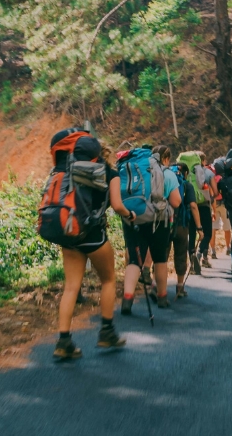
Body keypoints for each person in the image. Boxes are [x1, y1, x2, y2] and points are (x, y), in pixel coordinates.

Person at [49, 130, 131, 361]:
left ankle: (63, 341)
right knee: (108, 279)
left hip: (70, 232)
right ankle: (106, 332)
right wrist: (131, 215)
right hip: (93, 234)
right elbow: (117, 205)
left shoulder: (67, 170)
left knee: (71, 287)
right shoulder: (109, 172)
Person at [120, 144, 181, 313]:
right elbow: (176, 202)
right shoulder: (166, 173)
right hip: (158, 221)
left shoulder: (129, 170)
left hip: (132, 219)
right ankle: (162, 298)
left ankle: (127, 300)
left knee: (134, 261)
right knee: (160, 259)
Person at [169, 160, 201, 298]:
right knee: (181, 254)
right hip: (181, 225)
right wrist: (199, 227)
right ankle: (180, 287)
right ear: (186, 173)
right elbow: (193, 206)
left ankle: (156, 287)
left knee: (162, 255)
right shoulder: (187, 185)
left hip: (166, 224)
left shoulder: (167, 181)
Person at [211, 164, 231, 257]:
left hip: (214, 205)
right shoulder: (223, 178)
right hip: (223, 205)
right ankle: (228, 247)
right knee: (226, 227)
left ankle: (213, 250)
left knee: (213, 229)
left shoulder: (211, 178)